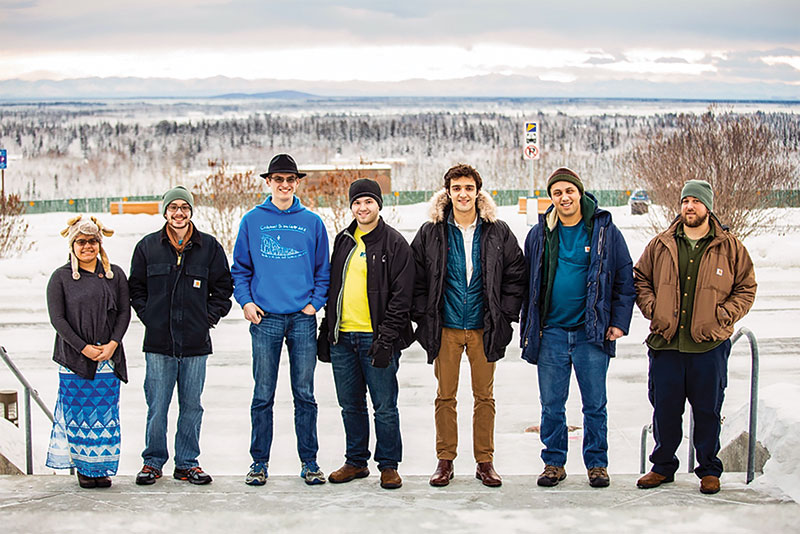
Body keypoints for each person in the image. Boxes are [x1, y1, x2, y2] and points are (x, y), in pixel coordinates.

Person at [634, 179, 756, 495]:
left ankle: (709, 470)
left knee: (708, 411)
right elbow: (640, 279)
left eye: (696, 201)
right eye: (686, 201)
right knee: (665, 409)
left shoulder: (730, 247)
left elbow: (746, 287)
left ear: (708, 207)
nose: (690, 206)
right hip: (667, 344)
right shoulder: (661, 244)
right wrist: (653, 308)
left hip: (709, 345)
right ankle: (662, 467)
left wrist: (723, 314)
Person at [411, 163, 526, 488]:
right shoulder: (431, 232)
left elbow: (516, 276)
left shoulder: (497, 231)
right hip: (445, 327)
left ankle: (484, 461)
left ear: (478, 192)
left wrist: (504, 315)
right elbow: (416, 280)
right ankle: (445, 460)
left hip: (483, 327)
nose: (463, 194)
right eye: (457, 188)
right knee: (445, 396)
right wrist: (424, 316)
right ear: (448, 192)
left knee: (484, 397)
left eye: (469, 188)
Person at [520, 167, 635, 488]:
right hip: (551, 333)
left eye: (569, 191)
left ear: (580, 193)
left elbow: (625, 279)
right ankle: (554, 462)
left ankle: (597, 463)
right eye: (557, 193)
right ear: (551, 198)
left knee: (595, 404)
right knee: (551, 405)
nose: (564, 197)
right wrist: (529, 325)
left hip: (591, 333)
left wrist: (618, 323)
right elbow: (527, 282)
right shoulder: (540, 233)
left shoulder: (603, 230)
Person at [232, 153, 331, 486]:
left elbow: (323, 270)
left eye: (291, 179)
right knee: (263, 394)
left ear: (297, 183)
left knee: (304, 394)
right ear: (268, 182)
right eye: (279, 179)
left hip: (302, 320)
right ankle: (259, 463)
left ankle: (310, 462)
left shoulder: (312, 222)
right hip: (266, 320)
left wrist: (315, 303)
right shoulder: (252, 220)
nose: (285, 185)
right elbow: (241, 269)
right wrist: (246, 302)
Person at [129, 185, 233, 486]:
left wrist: (207, 319)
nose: (179, 213)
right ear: (165, 212)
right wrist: (149, 317)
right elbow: (136, 288)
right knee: (157, 405)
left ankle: (187, 463)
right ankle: (152, 462)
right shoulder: (147, 247)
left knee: (192, 406)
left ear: (191, 212)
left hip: (195, 344)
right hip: (159, 343)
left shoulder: (209, 247)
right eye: (173, 207)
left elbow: (223, 289)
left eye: (184, 208)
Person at [318, 179, 414, 490]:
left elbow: (402, 297)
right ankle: (356, 461)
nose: (362, 208)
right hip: (343, 338)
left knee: (384, 405)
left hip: (376, 339)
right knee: (351, 405)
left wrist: (386, 338)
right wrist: (326, 329)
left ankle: (388, 465)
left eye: (368, 202)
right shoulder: (343, 240)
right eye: (357, 203)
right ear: (351, 207)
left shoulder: (395, 243)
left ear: (379, 205)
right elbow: (334, 289)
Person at [46, 215, 130, 489]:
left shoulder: (114, 274)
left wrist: (113, 344)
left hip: (107, 357)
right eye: (81, 242)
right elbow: (58, 319)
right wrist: (83, 348)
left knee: (104, 416)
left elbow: (123, 313)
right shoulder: (60, 278)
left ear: (99, 244)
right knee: (79, 416)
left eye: (92, 241)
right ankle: (84, 468)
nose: (87, 246)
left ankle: (101, 467)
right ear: (72, 245)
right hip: (74, 359)